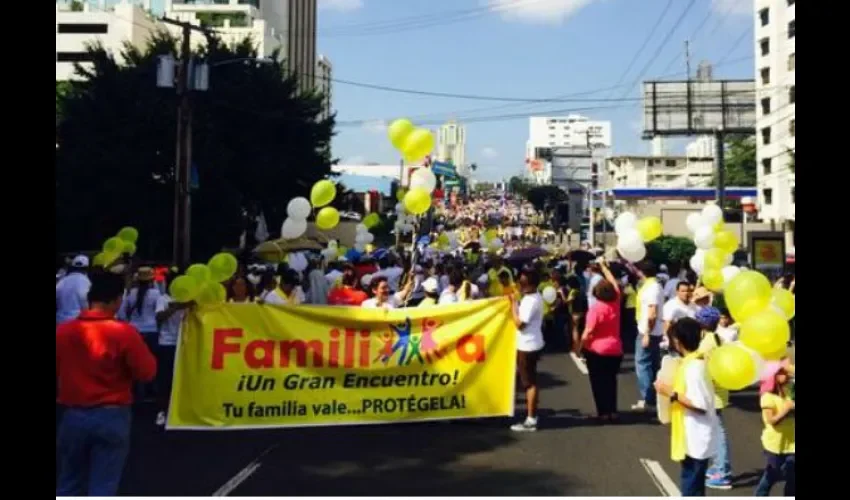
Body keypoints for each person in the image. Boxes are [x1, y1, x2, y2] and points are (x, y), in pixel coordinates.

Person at [56, 271, 157, 496]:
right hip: (112, 414)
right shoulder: (124, 333)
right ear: (117, 299)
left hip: (72, 413)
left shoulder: (62, 332)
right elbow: (147, 372)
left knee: (68, 481)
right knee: (103, 485)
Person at [654, 318, 719, 497]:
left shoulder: (694, 368)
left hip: (696, 437)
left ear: (677, 340)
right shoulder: (690, 363)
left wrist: (670, 393)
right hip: (691, 434)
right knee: (694, 486)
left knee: (691, 487)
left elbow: (700, 405)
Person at [579, 258, 623, 421]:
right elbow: (614, 283)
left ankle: (602, 413)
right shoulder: (616, 303)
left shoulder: (595, 309)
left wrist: (580, 347)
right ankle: (613, 411)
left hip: (597, 350)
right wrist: (605, 268)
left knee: (598, 383)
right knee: (611, 382)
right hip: (616, 348)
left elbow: (588, 332)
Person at [694, 307, 733, 490]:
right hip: (720, 390)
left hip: (712, 392)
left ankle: (723, 472)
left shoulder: (706, 343)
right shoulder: (719, 338)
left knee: (718, 433)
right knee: (716, 430)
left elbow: (697, 363)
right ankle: (718, 466)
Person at [154, 269, 193, 426]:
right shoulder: (163, 298)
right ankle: (162, 412)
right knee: (165, 380)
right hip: (167, 343)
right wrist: (175, 307)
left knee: (185, 379)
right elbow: (159, 317)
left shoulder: (190, 299)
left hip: (186, 343)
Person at [118, 267, 162, 402]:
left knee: (135, 362)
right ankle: (151, 391)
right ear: (152, 280)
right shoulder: (156, 294)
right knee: (152, 362)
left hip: (134, 330)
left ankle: (137, 392)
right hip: (152, 330)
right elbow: (159, 313)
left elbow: (121, 313)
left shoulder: (131, 294)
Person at [509, 269, 545, 432]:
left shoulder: (531, 301)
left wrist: (512, 306)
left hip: (527, 345)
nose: (520, 286)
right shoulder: (533, 297)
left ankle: (531, 419)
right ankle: (532, 415)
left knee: (529, 383)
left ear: (531, 284)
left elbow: (520, 324)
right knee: (529, 380)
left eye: (523, 283)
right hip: (532, 342)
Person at [754, 361, 795, 496]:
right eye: (782, 372)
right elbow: (771, 421)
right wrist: (787, 409)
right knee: (773, 474)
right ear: (774, 376)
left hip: (792, 443)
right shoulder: (767, 397)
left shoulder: (788, 389)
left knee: (792, 476)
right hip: (775, 445)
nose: (787, 374)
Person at [633, 260, 665, 411]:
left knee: (643, 365)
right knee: (652, 365)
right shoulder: (654, 285)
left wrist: (647, 333)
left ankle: (648, 399)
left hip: (649, 331)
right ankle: (655, 398)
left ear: (642, 272)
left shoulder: (651, 288)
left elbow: (652, 313)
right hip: (654, 331)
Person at [56, 255, 92, 325]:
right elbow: (83, 299)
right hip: (76, 321)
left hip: (60, 321)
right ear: (87, 268)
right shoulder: (85, 281)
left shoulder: (63, 280)